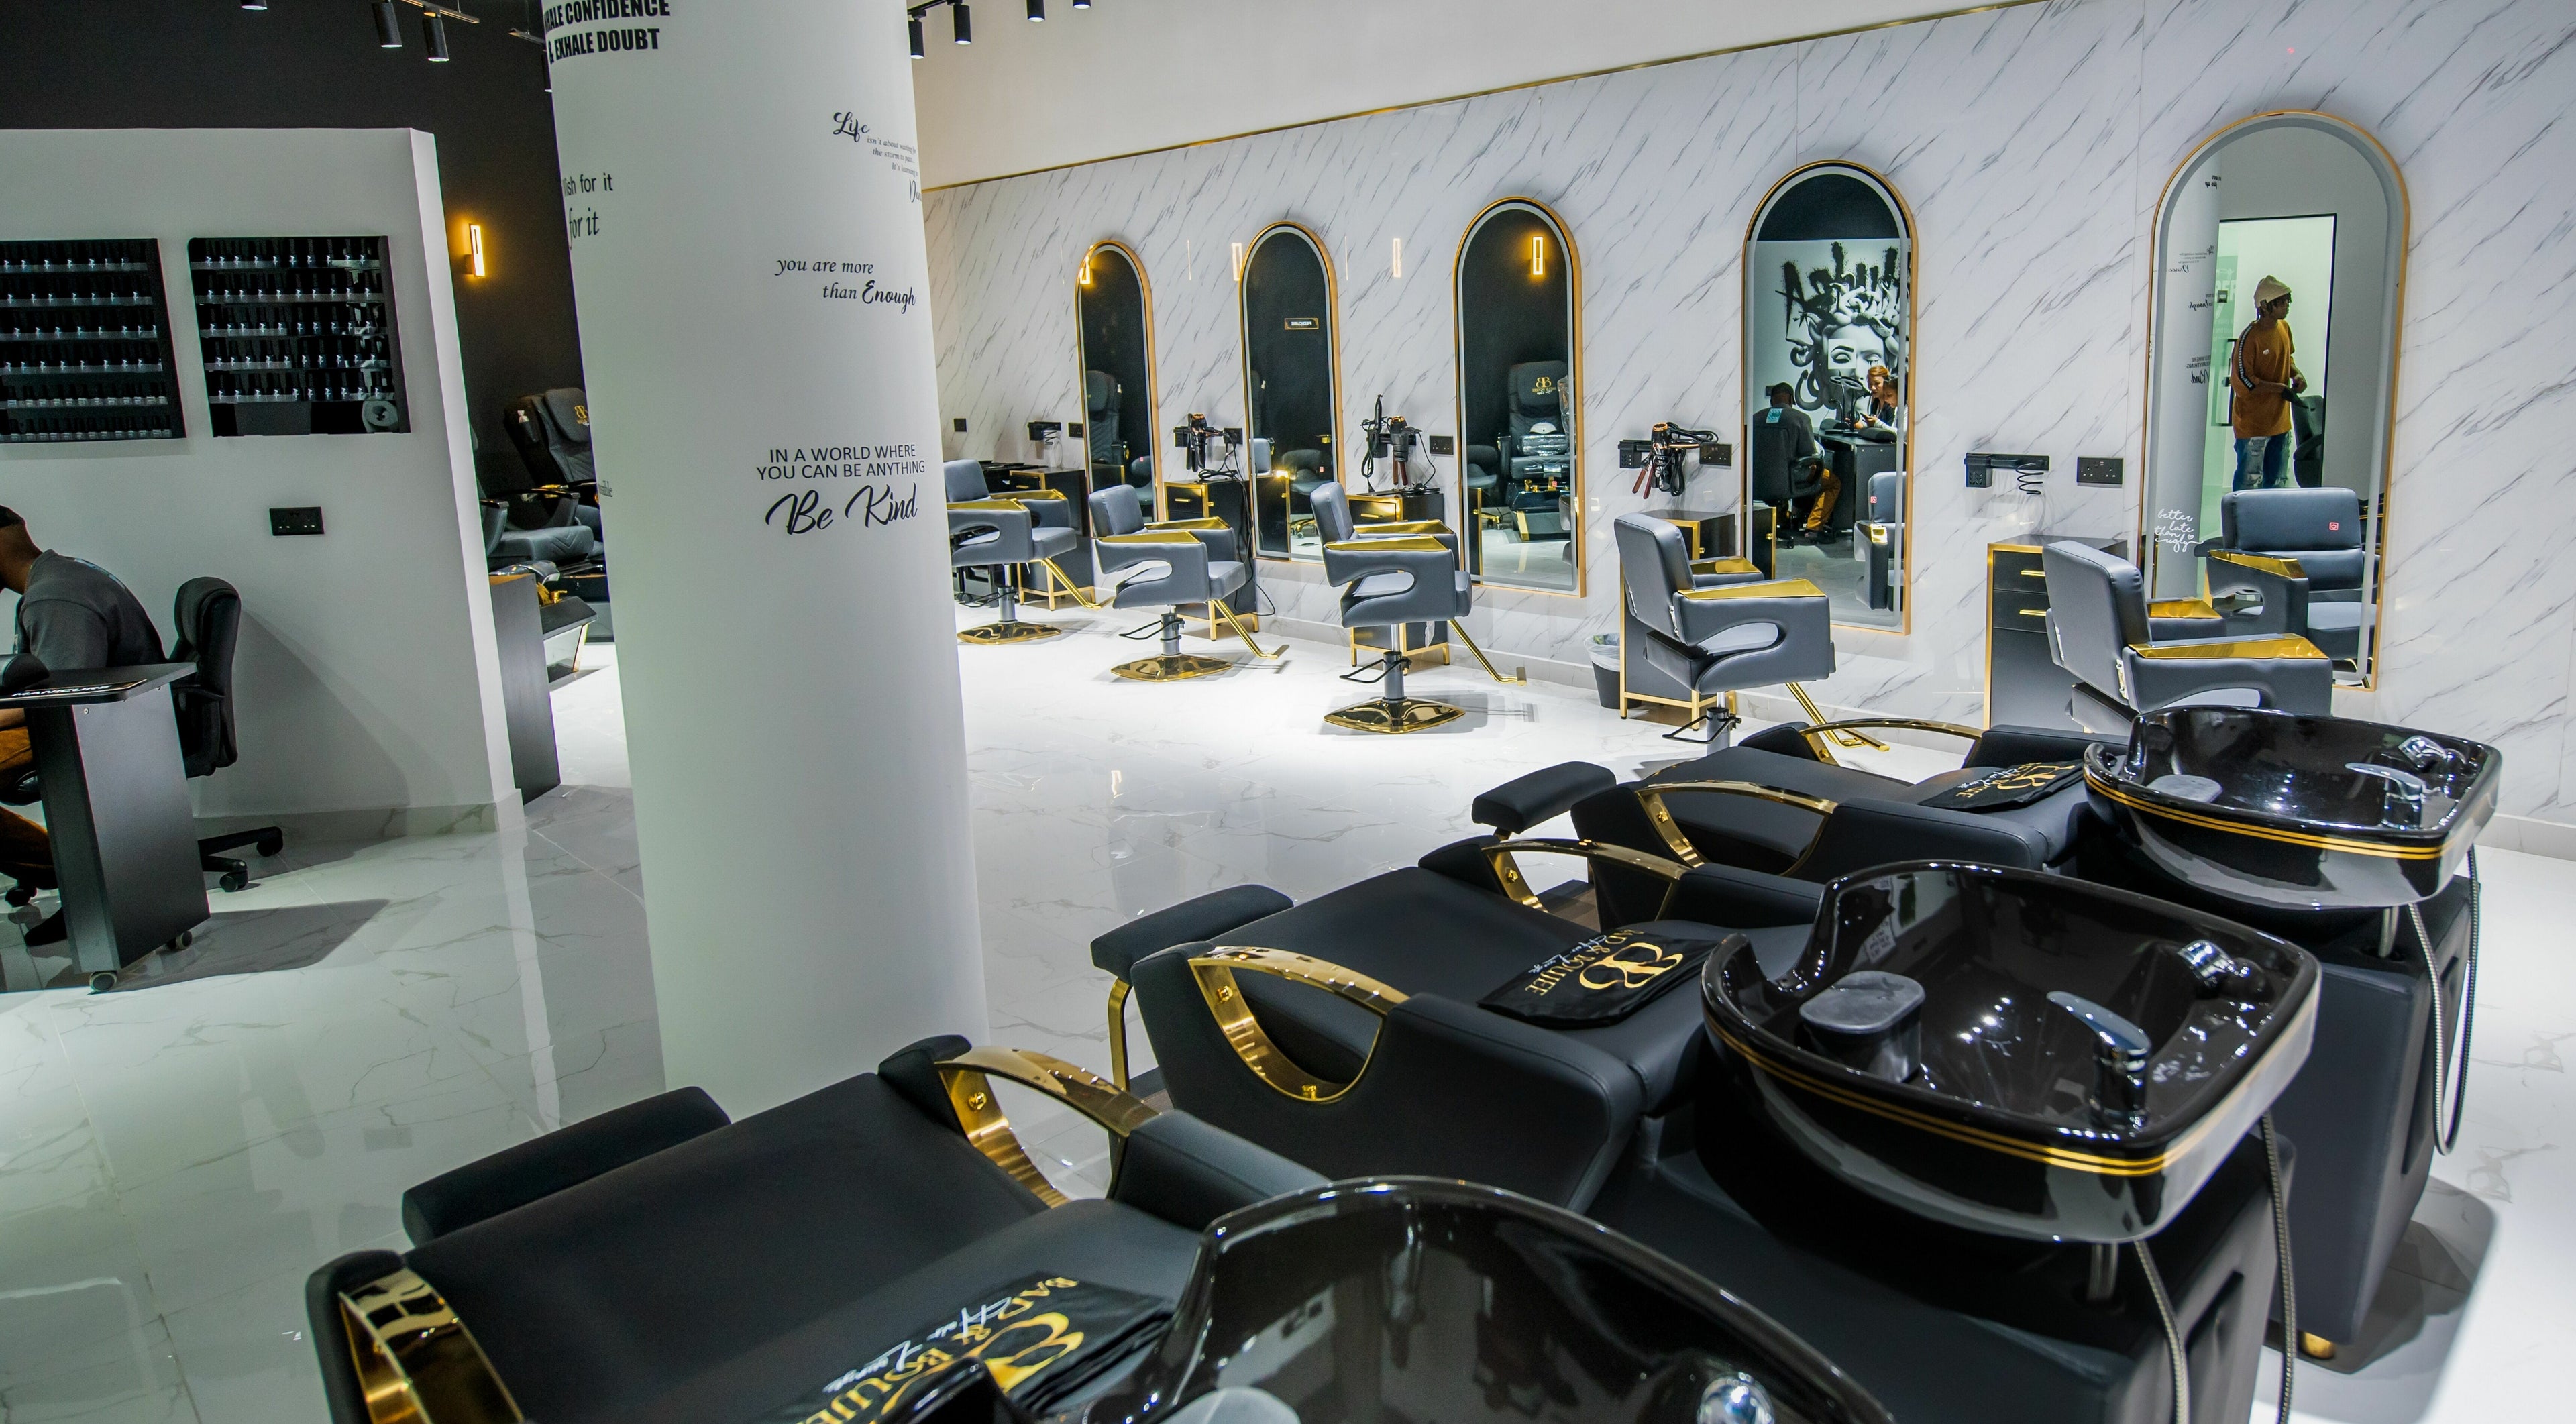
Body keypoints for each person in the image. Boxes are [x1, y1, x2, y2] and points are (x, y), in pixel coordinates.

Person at [0, 506, 168, 946]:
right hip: (108, 717)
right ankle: (69, 871)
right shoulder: (60, 576)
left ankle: (78, 878)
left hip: (97, 727)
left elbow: (57, 696)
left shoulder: (53, 597)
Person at [2228, 276, 2306, 490]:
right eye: (2281, 302)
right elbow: (2244, 381)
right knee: (2249, 482)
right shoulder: (2250, 337)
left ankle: (2272, 524)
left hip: (2280, 423)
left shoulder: (2284, 328)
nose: (2286, 306)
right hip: (2254, 426)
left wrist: (2297, 375)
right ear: (2264, 306)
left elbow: (2287, 359)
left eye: (2287, 301)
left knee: (2278, 482)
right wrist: (2279, 389)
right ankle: (2242, 524)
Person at [1756, 383, 1830, 541]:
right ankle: (1814, 527)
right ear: (1791, 399)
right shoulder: (1801, 419)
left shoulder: (1756, 418)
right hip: (1790, 478)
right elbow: (1809, 453)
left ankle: (1788, 518)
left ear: (1771, 401)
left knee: (1799, 476)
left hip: (1759, 480)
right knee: (1831, 481)